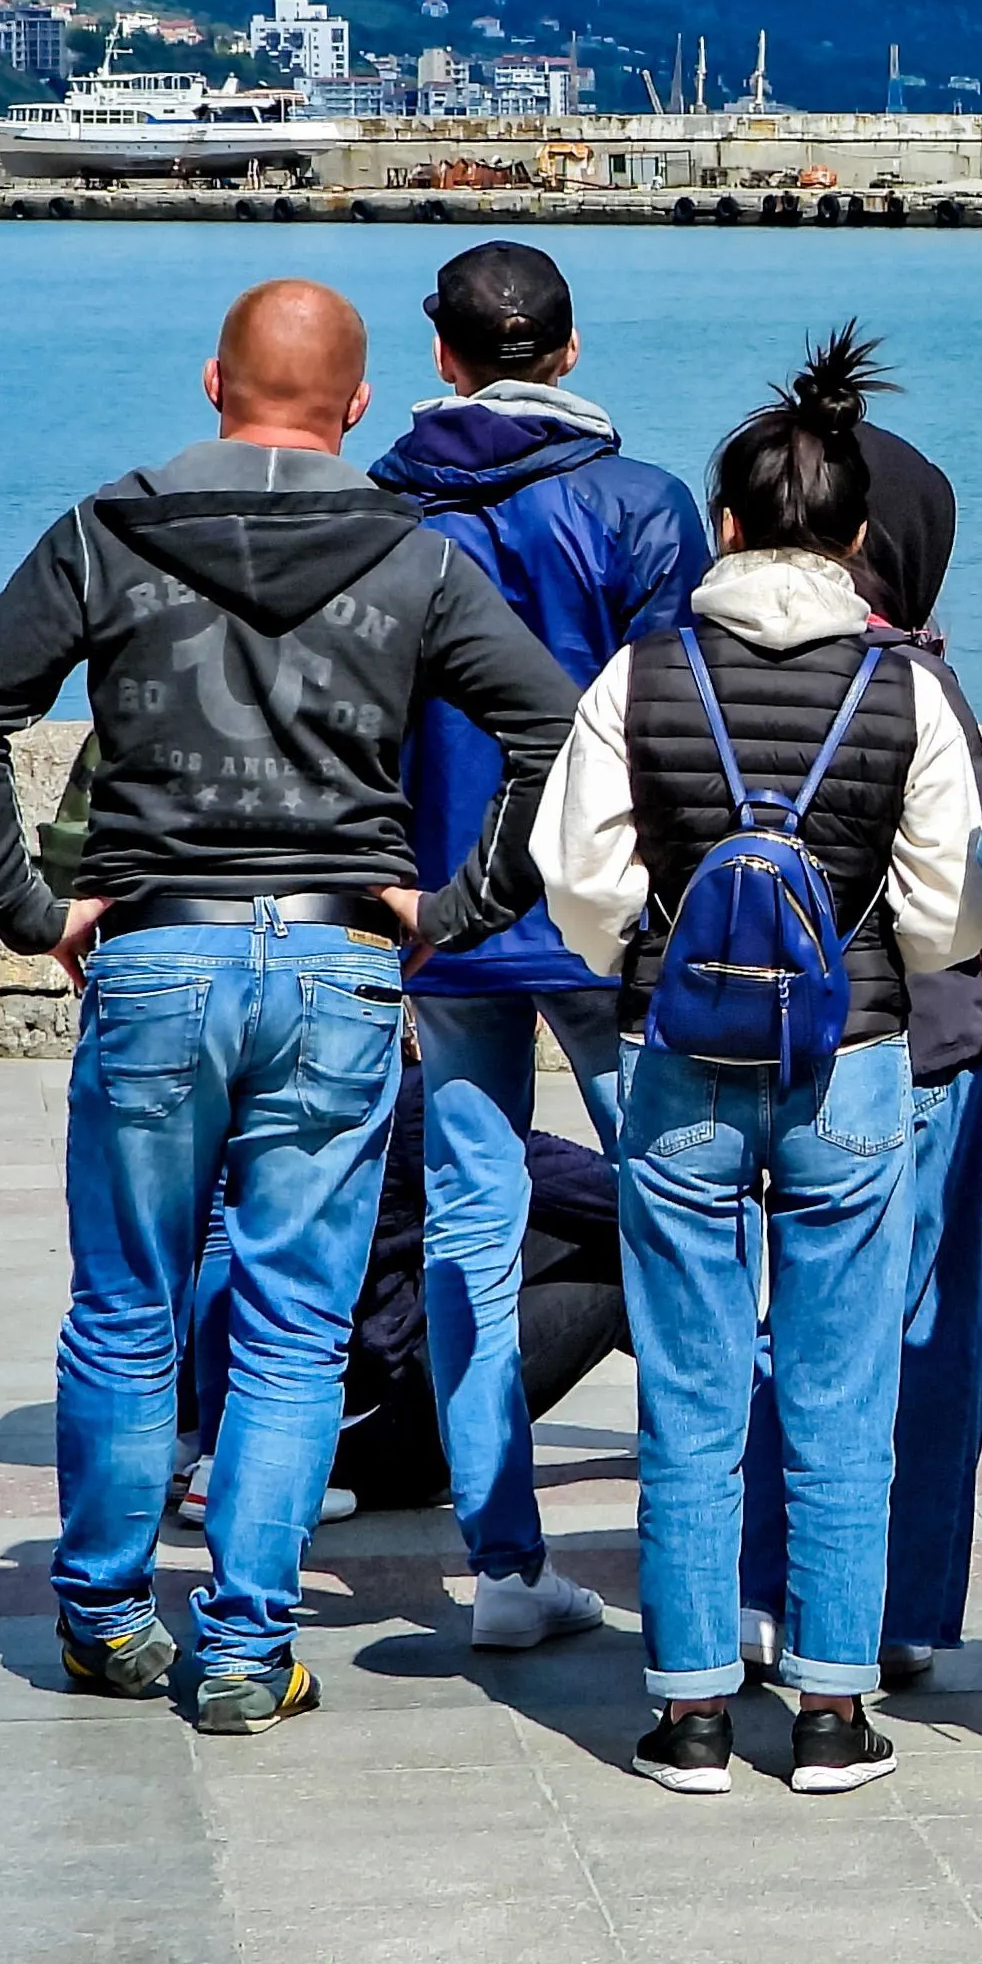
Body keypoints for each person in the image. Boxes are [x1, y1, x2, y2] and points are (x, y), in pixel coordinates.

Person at [0, 280, 580, 1736]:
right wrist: (459, 909)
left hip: (155, 954)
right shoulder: (410, 552)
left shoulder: (107, 532)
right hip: (342, 965)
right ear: (355, 407)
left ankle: (101, 1614)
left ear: (214, 381)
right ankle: (244, 1644)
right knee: (294, 1325)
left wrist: (31, 908)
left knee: (126, 1305)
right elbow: (556, 729)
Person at [536, 328, 982, 1795]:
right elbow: (946, 915)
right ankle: (834, 1705)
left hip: (681, 1055)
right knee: (842, 1387)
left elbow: (584, 882)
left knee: (688, 1380)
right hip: (850, 1057)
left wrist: (652, 953)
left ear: (724, 525)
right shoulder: (904, 689)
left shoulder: (640, 673)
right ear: (857, 537)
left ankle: (685, 1706)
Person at [370, 239, 706, 1657]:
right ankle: (717, 1541)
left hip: (442, 914)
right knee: (685, 1209)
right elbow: (689, 728)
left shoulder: (385, 513)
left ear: (444, 353)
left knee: (468, 1225)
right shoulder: (644, 506)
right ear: (569, 352)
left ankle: (504, 1557)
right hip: (612, 914)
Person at [842, 415, 982, 1696]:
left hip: (738, 1028)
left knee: (764, 1324)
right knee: (924, 1335)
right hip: (918, 1044)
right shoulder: (918, 682)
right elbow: (958, 899)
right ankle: (894, 1603)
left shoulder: (689, 656)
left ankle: (751, 1585)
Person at [333, 1055, 629, 1515]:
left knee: (572, 1229)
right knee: (620, 1268)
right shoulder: (419, 1100)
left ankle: (738, 1404)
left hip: (325, 1406)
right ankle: (735, 1414)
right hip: (379, 1432)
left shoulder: (330, 1093)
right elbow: (589, 1185)